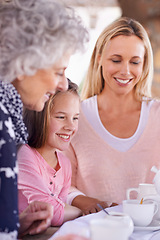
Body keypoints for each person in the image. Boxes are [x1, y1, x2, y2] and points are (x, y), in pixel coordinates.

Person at [0, 0, 88, 239]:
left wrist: (15, 224)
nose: (62, 83)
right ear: (23, 64)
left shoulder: (8, 118)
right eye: (58, 71)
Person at [64, 17, 160, 215]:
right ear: (99, 57)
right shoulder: (75, 118)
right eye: (116, 60)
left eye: (135, 62)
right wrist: (86, 202)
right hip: (96, 231)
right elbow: (60, 185)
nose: (125, 71)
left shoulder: (157, 115)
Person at [18, 80, 82, 227]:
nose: (71, 126)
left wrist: (68, 212)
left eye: (75, 118)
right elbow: (54, 213)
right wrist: (80, 212)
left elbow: (60, 215)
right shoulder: (24, 155)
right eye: (61, 117)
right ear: (38, 116)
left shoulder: (64, 164)